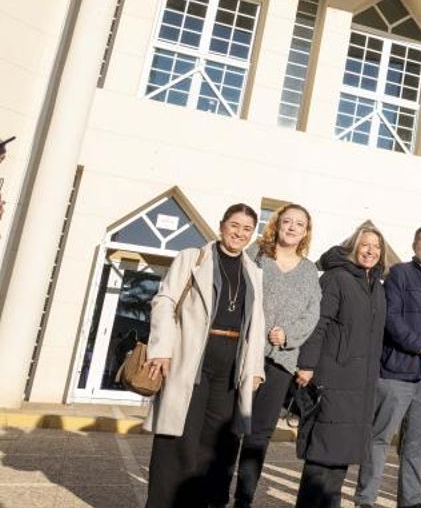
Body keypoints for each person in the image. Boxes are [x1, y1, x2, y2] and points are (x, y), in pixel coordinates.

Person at [143, 203, 266, 508]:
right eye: (234, 225)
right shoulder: (192, 257)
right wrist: (162, 349)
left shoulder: (254, 271)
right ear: (222, 225)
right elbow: (165, 301)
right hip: (192, 357)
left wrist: (255, 368)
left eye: (247, 229)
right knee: (177, 439)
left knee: (214, 445)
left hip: (231, 365)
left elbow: (257, 322)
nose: (239, 233)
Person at [211, 204, 322, 507]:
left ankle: (243, 500)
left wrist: (288, 336)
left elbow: (312, 314)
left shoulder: (309, 270)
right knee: (232, 427)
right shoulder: (256, 256)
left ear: (305, 232)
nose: (292, 227)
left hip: (282, 363)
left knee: (259, 435)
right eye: (287, 221)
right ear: (277, 224)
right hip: (247, 355)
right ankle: (216, 495)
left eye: (299, 224)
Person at [354, 224, 421, 508]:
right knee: (379, 438)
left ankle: (410, 501)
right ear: (415, 246)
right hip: (396, 374)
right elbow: (391, 319)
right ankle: (366, 499)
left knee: (416, 444)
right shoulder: (400, 274)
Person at [294, 224, 388, 508]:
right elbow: (318, 324)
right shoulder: (336, 278)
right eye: (365, 245)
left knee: (340, 458)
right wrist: (306, 364)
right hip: (333, 377)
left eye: (376, 247)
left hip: (360, 384)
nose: (371, 251)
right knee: (321, 456)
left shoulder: (376, 286)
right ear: (353, 247)